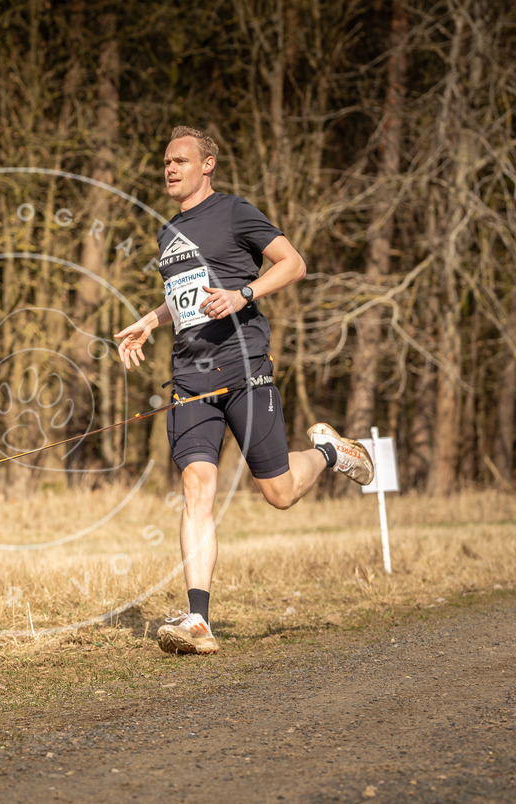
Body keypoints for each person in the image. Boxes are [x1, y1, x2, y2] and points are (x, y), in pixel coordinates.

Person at [114, 126, 374, 656]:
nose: (169, 168)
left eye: (180, 160)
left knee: (278, 493)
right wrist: (150, 320)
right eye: (165, 161)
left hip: (245, 369)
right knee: (196, 488)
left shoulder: (234, 212)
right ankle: (198, 621)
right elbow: (184, 300)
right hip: (189, 378)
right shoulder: (168, 233)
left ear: (206, 164)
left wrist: (243, 294)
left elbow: (294, 264)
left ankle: (331, 451)